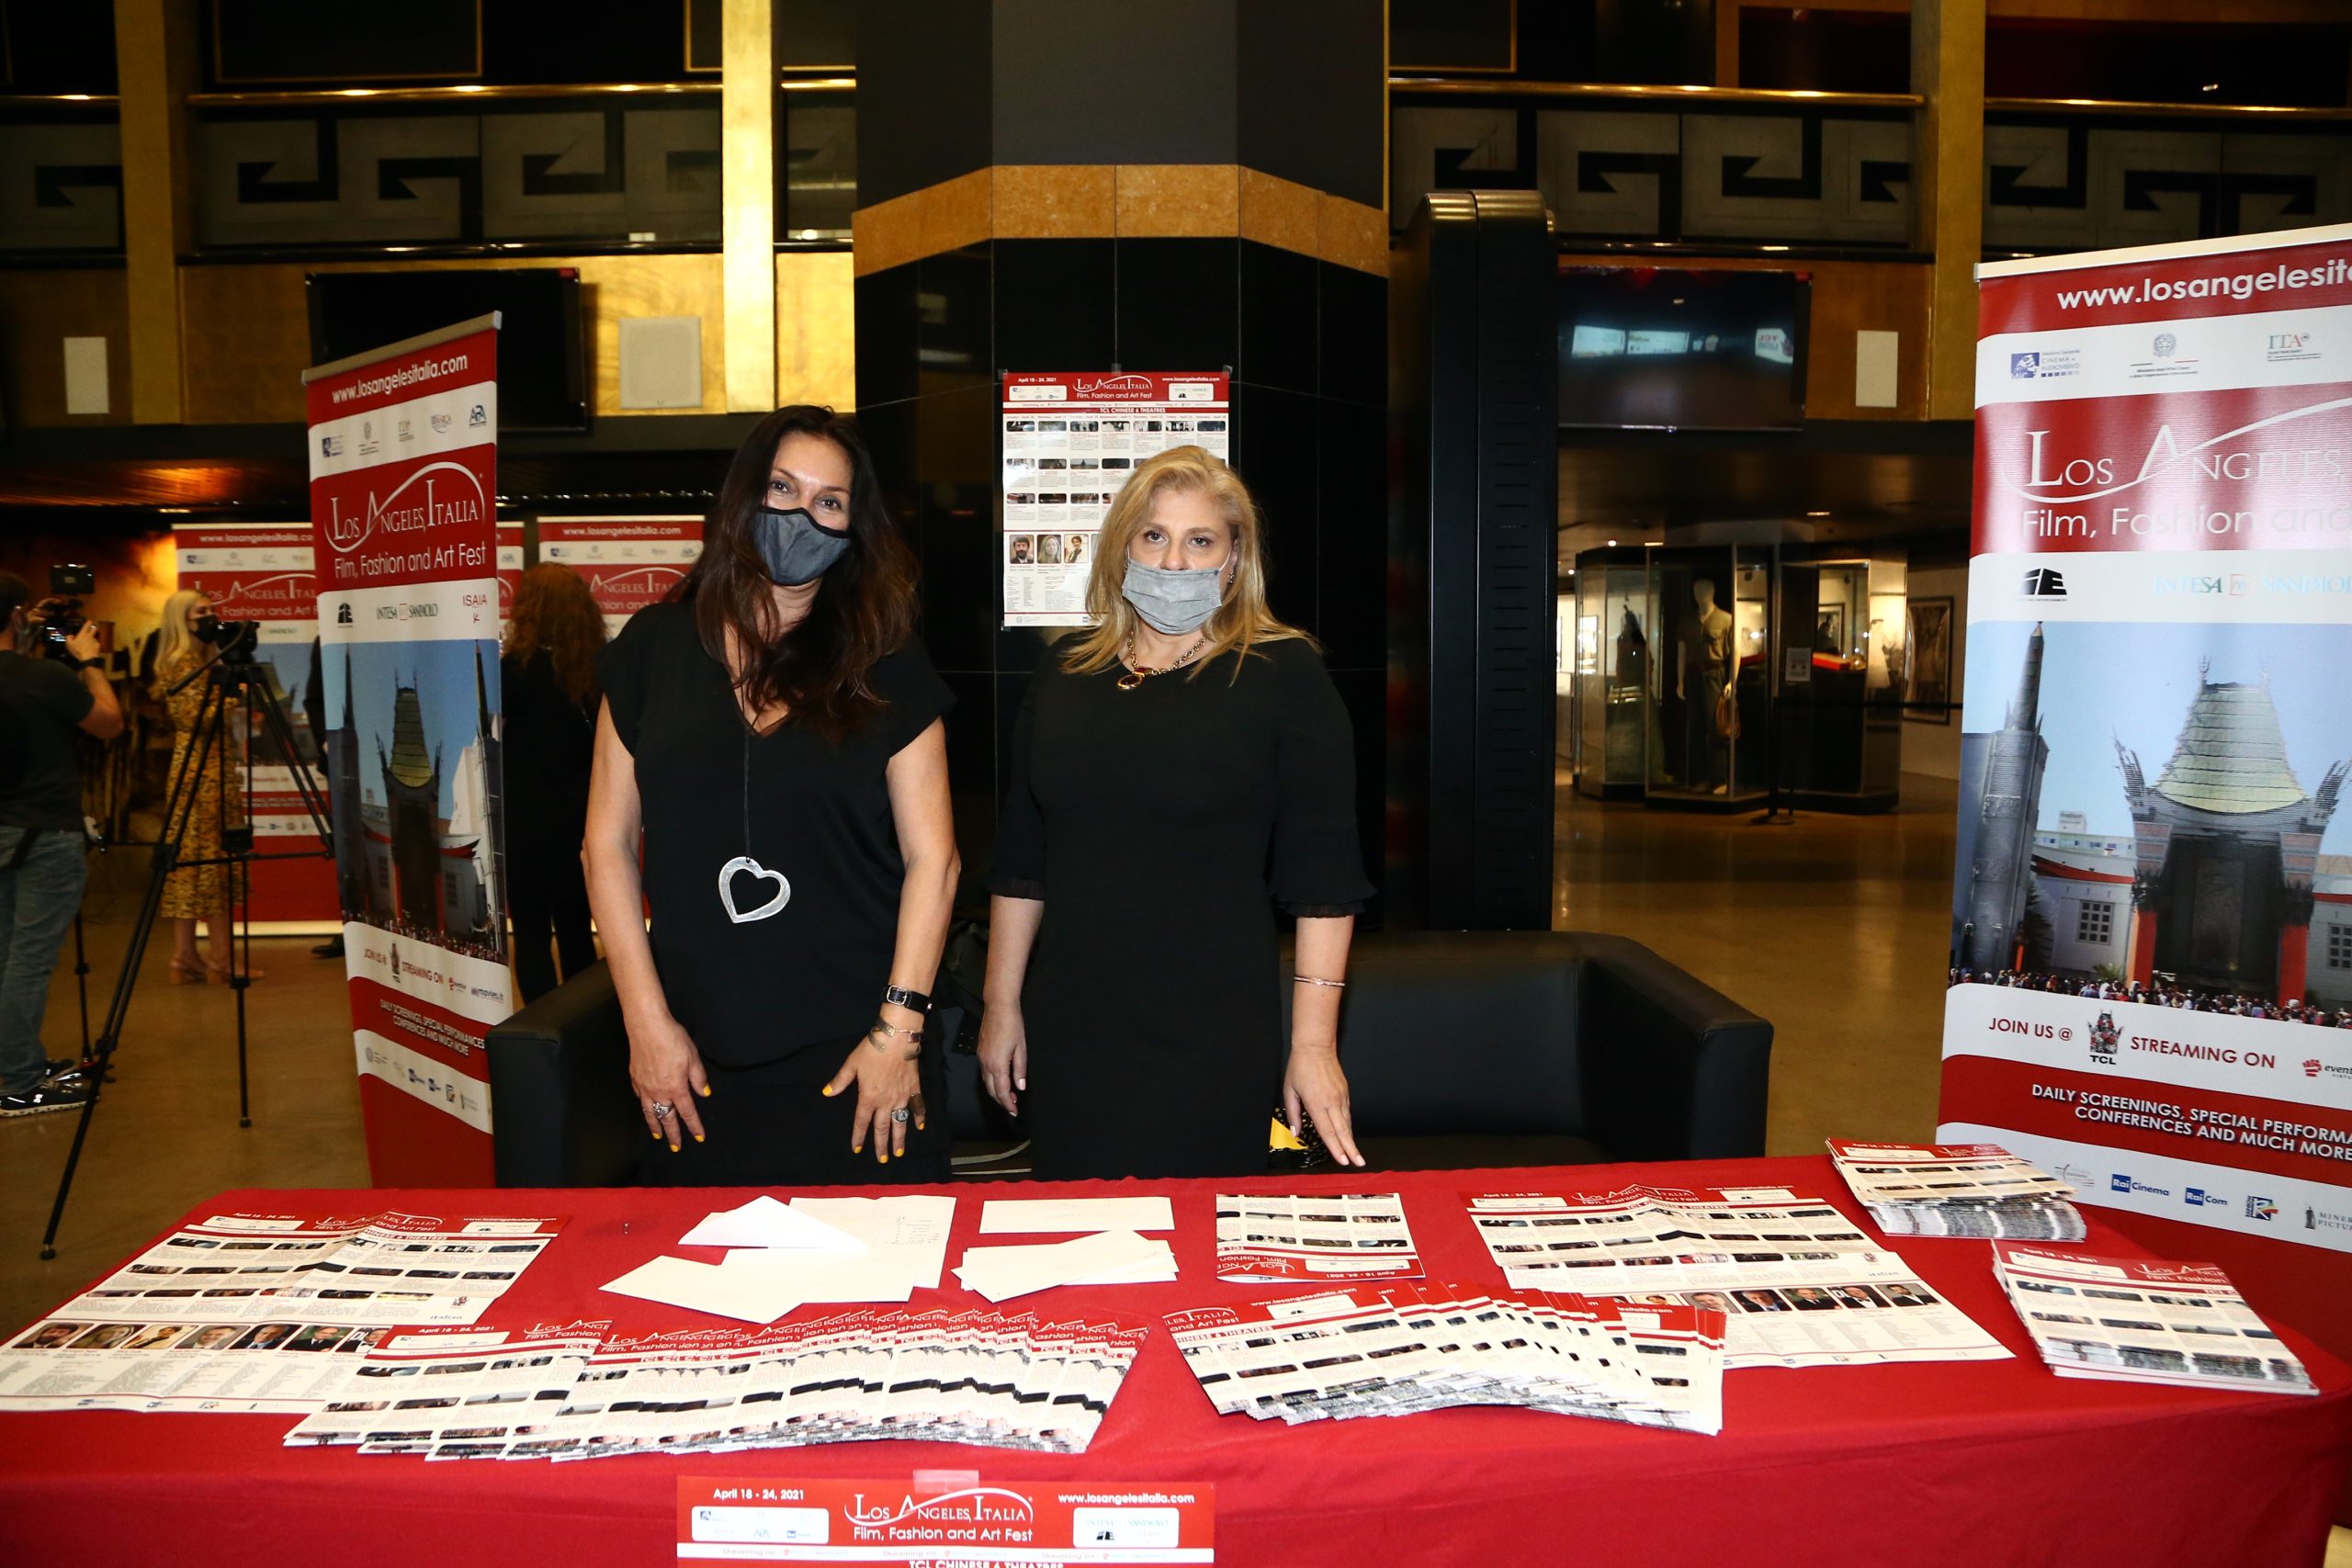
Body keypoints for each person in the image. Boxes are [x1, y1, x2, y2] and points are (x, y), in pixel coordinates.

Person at [978, 446, 1375, 1179]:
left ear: (1234, 559)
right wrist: (1000, 1004)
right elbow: (1022, 860)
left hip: (1215, 1028)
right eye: (1154, 535)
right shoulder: (1066, 672)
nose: (1173, 561)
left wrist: (1314, 1046)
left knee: (1208, 1232)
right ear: (1122, 545)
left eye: (1201, 540)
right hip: (1073, 1024)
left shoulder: (1283, 674)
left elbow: (1324, 881)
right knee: (1079, 1234)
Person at [585, 405, 959, 1183]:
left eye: (829, 501)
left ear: (853, 527)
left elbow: (937, 861)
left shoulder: (888, 663)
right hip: (687, 1058)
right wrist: (646, 1023)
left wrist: (898, 1034)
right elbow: (606, 847)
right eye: (782, 488)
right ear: (743, 493)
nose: (800, 515)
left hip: (859, 1059)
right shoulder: (653, 649)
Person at [0, 573, 123, 1115]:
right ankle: (19, 1082)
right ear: (16, 616)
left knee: (6, 956)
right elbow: (109, 724)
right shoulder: (45, 676)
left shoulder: (32, 673)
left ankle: (18, 1060)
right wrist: (90, 663)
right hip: (45, 834)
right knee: (28, 960)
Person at [502, 564, 606, 1003]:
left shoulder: (512, 671)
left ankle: (539, 1028)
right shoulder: (600, 670)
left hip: (523, 823)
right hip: (581, 820)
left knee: (530, 933)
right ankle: (579, 1023)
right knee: (577, 929)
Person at [152, 590, 260, 986]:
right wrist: (234, 695)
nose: (210, 617)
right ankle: (221, 959)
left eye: (212, 609)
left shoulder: (205, 658)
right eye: (201, 612)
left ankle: (185, 956)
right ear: (182, 619)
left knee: (196, 860)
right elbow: (194, 719)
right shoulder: (180, 661)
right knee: (210, 860)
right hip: (200, 770)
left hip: (211, 765)